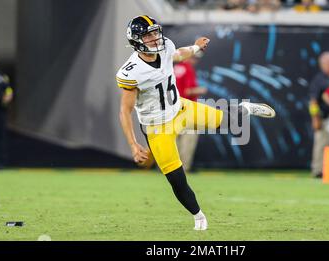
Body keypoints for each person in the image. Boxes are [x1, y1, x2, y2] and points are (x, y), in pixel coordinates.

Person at [117, 15, 275, 231]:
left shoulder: (165, 47)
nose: (155, 38)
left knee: (227, 121)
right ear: (136, 40)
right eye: (148, 35)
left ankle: (245, 108)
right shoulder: (131, 71)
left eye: (155, 32)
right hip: (157, 127)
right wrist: (133, 144)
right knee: (177, 179)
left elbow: (179, 54)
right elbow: (125, 112)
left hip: (180, 109)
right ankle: (198, 216)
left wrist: (196, 47)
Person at [174, 54, 208, 172]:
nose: (195, 61)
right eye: (194, 58)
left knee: (173, 139)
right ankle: (183, 168)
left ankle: (171, 168)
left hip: (172, 108)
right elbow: (188, 91)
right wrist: (201, 90)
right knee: (189, 138)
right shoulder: (188, 68)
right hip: (187, 109)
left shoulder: (175, 68)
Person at [308, 52, 329, 178]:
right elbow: (313, 101)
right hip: (324, 117)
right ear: (321, 65)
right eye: (326, 63)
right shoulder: (318, 80)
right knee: (321, 144)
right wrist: (315, 117)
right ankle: (318, 169)